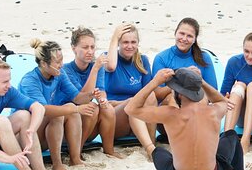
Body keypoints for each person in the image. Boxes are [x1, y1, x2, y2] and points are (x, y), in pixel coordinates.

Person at [124, 67, 252, 170]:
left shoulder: (170, 114)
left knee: (158, 152)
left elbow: (130, 109)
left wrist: (155, 82)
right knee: (231, 135)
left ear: (178, 93)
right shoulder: (214, 111)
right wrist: (201, 81)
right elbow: (222, 101)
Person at [18, 39, 115, 170]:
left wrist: (90, 95)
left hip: (42, 132)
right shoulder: (30, 81)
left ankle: (75, 159)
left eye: (62, 60)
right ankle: (57, 164)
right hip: (26, 135)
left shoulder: (59, 74)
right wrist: (76, 109)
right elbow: (43, 109)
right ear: (44, 64)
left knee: (69, 108)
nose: (61, 64)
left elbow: (77, 98)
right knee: (63, 112)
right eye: (57, 62)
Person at [103, 23, 157, 158]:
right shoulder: (108, 57)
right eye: (125, 42)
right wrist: (114, 37)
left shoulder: (142, 60)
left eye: (133, 42)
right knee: (132, 104)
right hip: (116, 118)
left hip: (138, 119)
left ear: (138, 43)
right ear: (118, 43)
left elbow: (148, 92)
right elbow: (110, 67)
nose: (129, 46)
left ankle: (152, 145)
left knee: (150, 95)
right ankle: (150, 149)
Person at [62, 26, 117, 157]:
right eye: (85, 47)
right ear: (74, 48)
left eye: (92, 47)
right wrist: (95, 69)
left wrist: (103, 100)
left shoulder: (97, 67)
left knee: (108, 108)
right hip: (69, 122)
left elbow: (101, 91)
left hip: (87, 125)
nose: (90, 51)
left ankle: (109, 151)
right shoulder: (66, 70)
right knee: (92, 108)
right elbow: (81, 98)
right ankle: (76, 152)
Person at [220, 30, 252, 153]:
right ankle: (227, 138)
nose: (249, 56)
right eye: (246, 51)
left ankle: (245, 140)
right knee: (239, 85)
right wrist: (225, 99)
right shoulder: (234, 62)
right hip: (240, 117)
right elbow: (223, 94)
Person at [152, 17, 218, 104]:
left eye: (189, 36)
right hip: (169, 106)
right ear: (175, 33)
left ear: (195, 39)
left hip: (197, 104)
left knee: (201, 98)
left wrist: (198, 80)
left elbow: (214, 93)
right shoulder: (161, 58)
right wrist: (181, 82)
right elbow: (157, 95)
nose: (184, 38)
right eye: (182, 33)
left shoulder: (204, 58)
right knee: (173, 97)